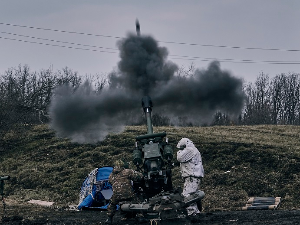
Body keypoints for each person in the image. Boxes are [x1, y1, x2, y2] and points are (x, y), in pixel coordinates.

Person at [105, 160, 143, 225]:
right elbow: (139, 177)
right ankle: (140, 217)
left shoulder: (111, 175)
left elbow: (110, 182)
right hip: (128, 194)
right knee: (137, 201)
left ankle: (109, 219)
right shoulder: (127, 171)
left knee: (112, 205)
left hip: (116, 195)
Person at [176, 138, 204, 218]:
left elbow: (180, 158)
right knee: (192, 196)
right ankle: (196, 212)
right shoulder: (193, 150)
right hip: (194, 176)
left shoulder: (190, 150)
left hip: (192, 177)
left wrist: (179, 151)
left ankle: (192, 214)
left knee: (187, 196)